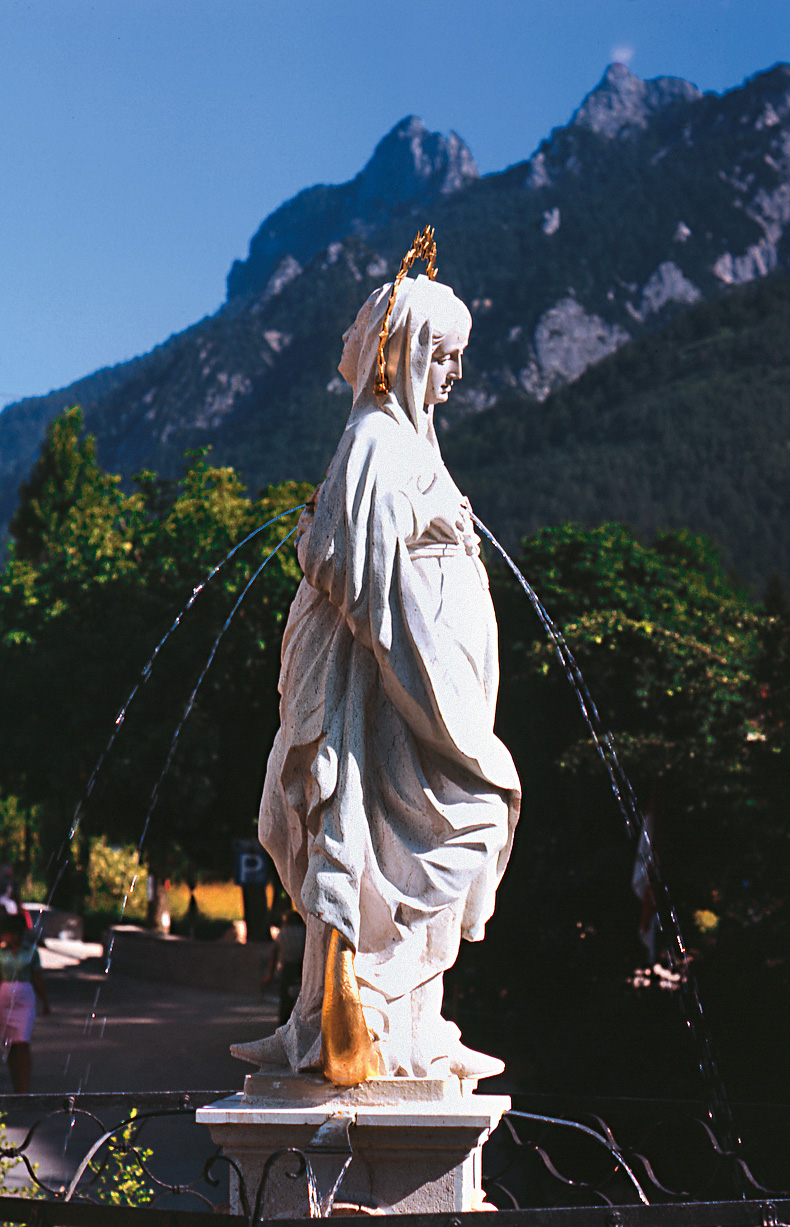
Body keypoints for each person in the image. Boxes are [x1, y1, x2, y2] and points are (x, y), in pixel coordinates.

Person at [233, 236, 521, 1085]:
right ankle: (364, 1014)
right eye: (448, 358)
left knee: (429, 842)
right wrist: (434, 682)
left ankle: (413, 1024)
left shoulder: (406, 446)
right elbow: (352, 569)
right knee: (462, 823)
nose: (455, 377)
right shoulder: (375, 442)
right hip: (391, 697)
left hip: (413, 694)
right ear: (408, 354)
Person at [0, 910, 50, 1092]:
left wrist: (44, 1001)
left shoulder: (31, 953)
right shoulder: (1, 954)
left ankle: (24, 1087)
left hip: (24, 998)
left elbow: (37, 978)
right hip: (4, 999)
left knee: (22, 1041)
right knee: (12, 1044)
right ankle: (16, 1084)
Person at [263, 909, 306, 1026]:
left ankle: (283, 1025)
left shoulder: (282, 933)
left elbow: (274, 955)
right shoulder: (305, 932)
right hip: (302, 969)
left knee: (285, 1000)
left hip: (287, 969)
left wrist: (270, 975)